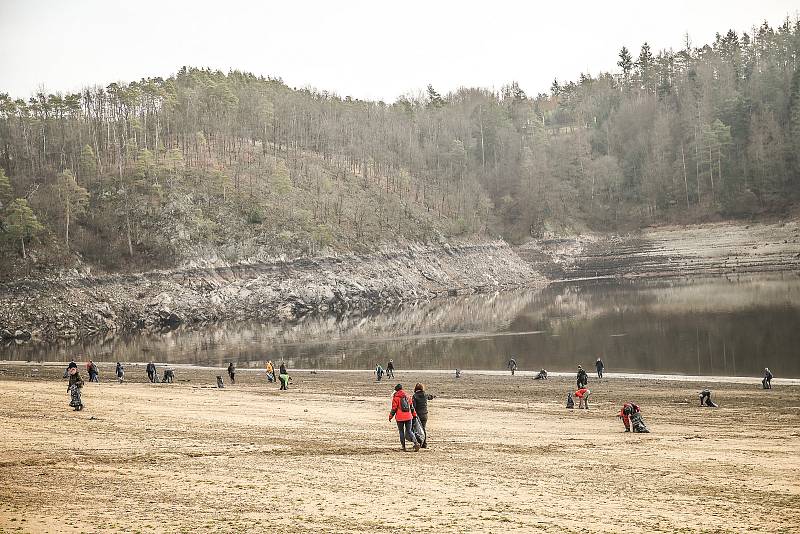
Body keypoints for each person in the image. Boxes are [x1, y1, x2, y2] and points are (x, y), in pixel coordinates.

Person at [388, 384, 419, 451]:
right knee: (409, 431)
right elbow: (411, 407)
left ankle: (403, 447)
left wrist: (390, 416)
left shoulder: (395, 397)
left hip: (399, 418)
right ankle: (416, 443)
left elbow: (394, 409)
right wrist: (414, 415)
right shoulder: (408, 396)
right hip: (408, 416)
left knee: (401, 431)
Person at [412, 383, 435, 448]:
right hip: (425, 415)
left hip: (418, 415)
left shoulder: (415, 396)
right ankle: (424, 443)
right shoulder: (425, 395)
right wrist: (433, 396)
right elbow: (430, 397)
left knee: (417, 430)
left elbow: (414, 406)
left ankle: (420, 443)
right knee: (423, 429)